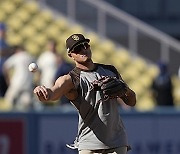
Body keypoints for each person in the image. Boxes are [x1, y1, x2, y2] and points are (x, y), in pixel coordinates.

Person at [34, 34, 136, 154]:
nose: (83, 50)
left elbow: (132, 101)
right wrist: (44, 93)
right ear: (70, 54)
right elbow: (53, 93)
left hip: (117, 141)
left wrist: (125, 90)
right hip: (90, 143)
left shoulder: (110, 71)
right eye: (78, 48)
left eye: (85, 45)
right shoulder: (71, 79)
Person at [3, 45, 34, 110]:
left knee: (8, 101)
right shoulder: (30, 57)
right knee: (26, 104)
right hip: (27, 84)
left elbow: (5, 67)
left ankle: (8, 118)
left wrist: (8, 80)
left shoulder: (17, 56)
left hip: (16, 83)